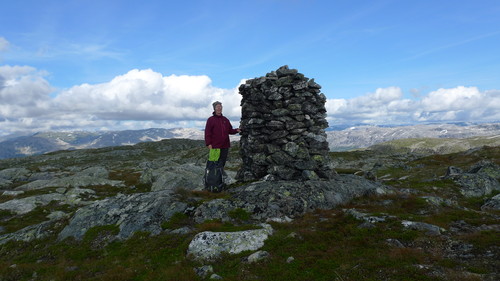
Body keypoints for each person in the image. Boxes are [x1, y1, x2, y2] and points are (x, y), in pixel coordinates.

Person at [204, 101, 241, 170]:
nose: (219, 108)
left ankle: (219, 177)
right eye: (217, 107)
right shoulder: (210, 120)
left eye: (220, 106)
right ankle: (211, 177)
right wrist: (208, 143)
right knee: (213, 163)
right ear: (214, 108)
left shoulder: (225, 120)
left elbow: (230, 130)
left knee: (222, 163)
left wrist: (236, 130)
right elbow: (207, 132)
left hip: (225, 146)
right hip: (215, 146)